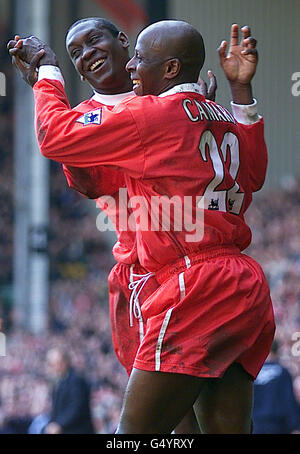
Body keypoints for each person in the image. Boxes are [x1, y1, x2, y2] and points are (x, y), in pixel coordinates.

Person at [8, 20, 275, 434]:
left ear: (124, 43)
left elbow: (54, 136)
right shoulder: (194, 109)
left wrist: (46, 75)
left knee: (140, 433)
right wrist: (231, 99)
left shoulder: (151, 112)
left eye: (94, 40)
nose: (87, 54)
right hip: (216, 278)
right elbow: (93, 183)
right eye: (75, 52)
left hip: (180, 280)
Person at [42, 347, 95, 434]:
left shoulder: (76, 380)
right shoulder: (60, 381)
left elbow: (76, 407)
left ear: (63, 363)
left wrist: (59, 424)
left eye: (53, 364)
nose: (51, 368)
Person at [252, 339, 300, 434]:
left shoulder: (253, 373)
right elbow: (289, 399)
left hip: (255, 422)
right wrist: (295, 425)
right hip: (278, 424)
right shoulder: (283, 371)